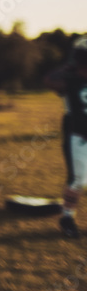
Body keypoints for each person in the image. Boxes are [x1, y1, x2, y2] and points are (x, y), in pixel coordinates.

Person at [46, 36, 87, 239]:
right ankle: (67, 218)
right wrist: (69, 67)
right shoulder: (69, 81)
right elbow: (50, 80)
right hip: (77, 137)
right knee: (77, 180)